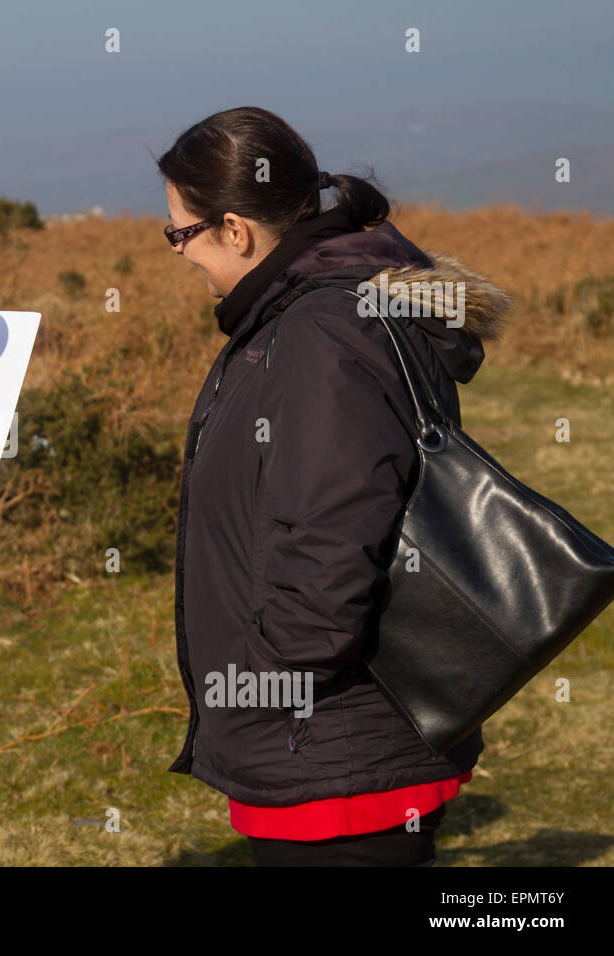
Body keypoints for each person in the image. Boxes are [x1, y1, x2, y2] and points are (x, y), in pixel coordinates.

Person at [158, 107, 513, 865]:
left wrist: (264, 684)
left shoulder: (320, 333)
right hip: (335, 741)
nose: (180, 255)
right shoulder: (320, 311)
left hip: (333, 753)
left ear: (236, 229)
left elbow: (331, 538)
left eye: (180, 235)